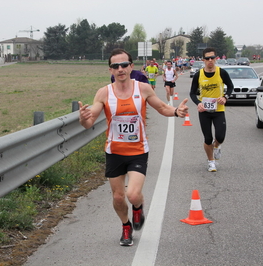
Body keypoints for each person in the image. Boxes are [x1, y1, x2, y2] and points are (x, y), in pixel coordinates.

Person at [79, 48, 189, 246]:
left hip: (138, 151)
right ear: (110, 70)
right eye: (115, 66)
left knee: (133, 195)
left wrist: (176, 112)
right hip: (114, 152)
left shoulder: (143, 88)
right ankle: (126, 225)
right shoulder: (104, 93)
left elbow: (162, 107)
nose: (120, 69)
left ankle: (137, 207)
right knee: (119, 197)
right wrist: (83, 119)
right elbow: (90, 121)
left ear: (131, 67)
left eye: (124, 65)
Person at [189, 47, 234, 172]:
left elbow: (230, 87)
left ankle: (217, 146)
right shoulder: (199, 74)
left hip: (218, 110)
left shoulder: (222, 72)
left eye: (212, 58)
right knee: (207, 138)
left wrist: (225, 97)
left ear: (216, 59)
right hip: (204, 111)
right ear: (203, 60)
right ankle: (211, 161)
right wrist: (198, 103)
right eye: (207, 58)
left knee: (220, 136)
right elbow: (192, 93)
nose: (210, 60)